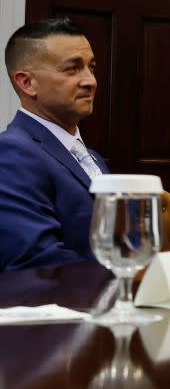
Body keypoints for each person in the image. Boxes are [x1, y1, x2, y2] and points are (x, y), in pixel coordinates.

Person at [0, 17, 108, 271]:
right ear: (27, 83)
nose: (90, 80)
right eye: (72, 69)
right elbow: (38, 261)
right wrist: (126, 286)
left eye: (91, 68)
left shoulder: (91, 156)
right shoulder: (11, 153)